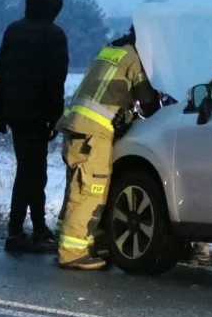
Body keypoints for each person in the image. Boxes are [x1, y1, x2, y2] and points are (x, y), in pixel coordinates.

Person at [54, 26, 159, 270]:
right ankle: (72, 252)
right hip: (94, 132)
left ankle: (70, 241)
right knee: (91, 190)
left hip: (76, 127)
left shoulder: (113, 50)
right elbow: (149, 103)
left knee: (76, 188)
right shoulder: (136, 59)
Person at [0, 0, 69, 254]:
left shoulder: (14, 31)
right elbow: (56, 81)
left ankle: (35, 228)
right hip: (37, 114)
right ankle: (17, 231)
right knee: (32, 172)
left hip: (14, 112)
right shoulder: (54, 35)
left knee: (31, 170)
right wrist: (55, 116)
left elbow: (0, 73)